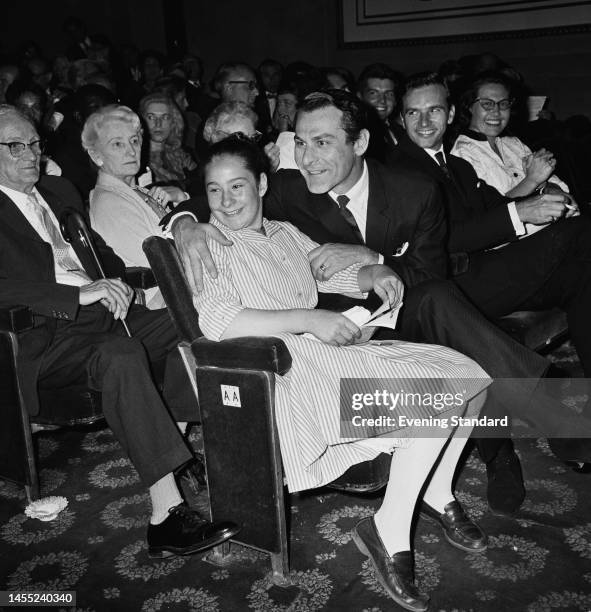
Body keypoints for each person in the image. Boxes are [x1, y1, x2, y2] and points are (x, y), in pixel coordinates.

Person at [164, 89, 591, 515]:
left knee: (443, 305)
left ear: (361, 143)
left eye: (323, 142)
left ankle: (502, 449)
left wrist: (377, 261)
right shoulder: (286, 190)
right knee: (457, 345)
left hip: (408, 306)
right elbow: (220, 193)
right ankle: (514, 442)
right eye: (301, 142)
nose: (308, 158)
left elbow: (428, 275)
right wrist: (184, 224)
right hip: (327, 332)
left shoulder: (413, 190)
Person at [197, 135, 490, 611]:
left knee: (469, 374)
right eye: (214, 190)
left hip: (324, 357)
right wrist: (312, 319)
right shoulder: (209, 242)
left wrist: (374, 275)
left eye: (237, 186)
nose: (226, 202)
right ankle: (389, 529)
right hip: (283, 374)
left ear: (262, 184)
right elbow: (220, 321)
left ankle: (435, 491)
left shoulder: (284, 232)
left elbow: (329, 271)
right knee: (433, 396)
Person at [0, 104, 239, 556]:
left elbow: (101, 254)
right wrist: (75, 295)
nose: (29, 154)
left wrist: (123, 284)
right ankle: (165, 517)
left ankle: (180, 443)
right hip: (41, 335)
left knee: (197, 316)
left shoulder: (57, 188)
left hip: (104, 316)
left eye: (34, 143)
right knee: (121, 355)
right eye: (14, 146)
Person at [392, 71, 591, 508]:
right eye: (413, 113)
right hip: (448, 285)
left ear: (448, 115)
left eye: (433, 111)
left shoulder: (457, 165)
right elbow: (445, 239)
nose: (424, 122)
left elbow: (490, 212)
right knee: (578, 237)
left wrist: (531, 207)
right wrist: (523, 211)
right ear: (400, 118)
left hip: (485, 274)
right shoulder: (400, 168)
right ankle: (504, 457)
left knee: (581, 270)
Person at [85, 104, 188, 309]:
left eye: (134, 141)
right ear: (97, 155)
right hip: (169, 304)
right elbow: (163, 266)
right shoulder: (110, 202)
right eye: (117, 144)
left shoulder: (137, 190)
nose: (131, 151)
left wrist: (181, 200)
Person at [451, 71, 570, 204]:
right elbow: (490, 214)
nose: (496, 112)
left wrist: (552, 189)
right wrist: (532, 180)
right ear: (469, 106)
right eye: (487, 104)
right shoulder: (461, 155)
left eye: (503, 104)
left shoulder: (513, 143)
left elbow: (552, 181)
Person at [139, 92, 198, 189]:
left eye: (165, 117)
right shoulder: (138, 159)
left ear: (173, 122)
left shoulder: (183, 155)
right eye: (151, 117)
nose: (158, 124)